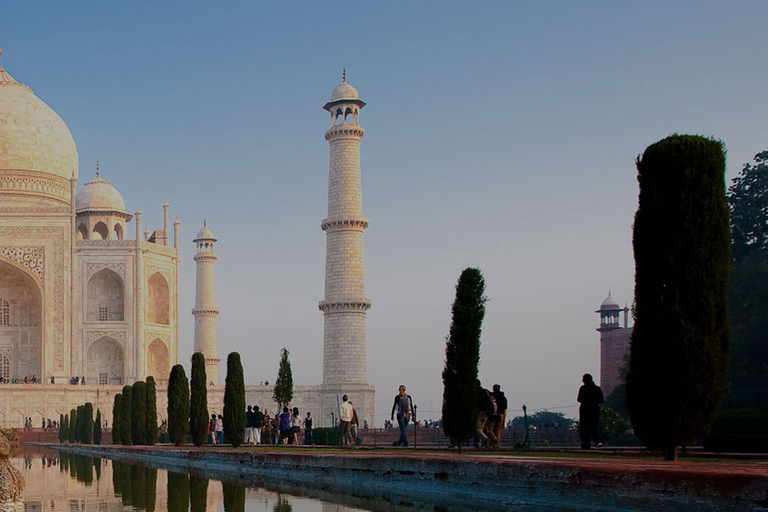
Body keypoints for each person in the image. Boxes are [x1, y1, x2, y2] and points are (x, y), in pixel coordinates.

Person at [577, 373, 604, 449]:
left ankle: (586, 444)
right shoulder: (597, 389)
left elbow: (579, 399)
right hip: (594, 410)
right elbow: (601, 400)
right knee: (594, 427)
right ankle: (597, 442)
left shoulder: (583, 388)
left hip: (585, 410)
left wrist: (587, 402)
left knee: (585, 428)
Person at [475, 381, 497, 448]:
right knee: (482, 428)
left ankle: (486, 440)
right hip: (486, 412)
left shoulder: (476, 392)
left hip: (479, 412)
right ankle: (480, 443)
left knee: (477, 428)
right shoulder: (486, 391)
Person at [489, 384, 508, 449]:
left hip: (494, 415)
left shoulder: (492, 397)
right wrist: (504, 420)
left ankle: (495, 440)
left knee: (490, 429)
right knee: (498, 430)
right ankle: (497, 444)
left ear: (493, 389)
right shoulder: (504, 398)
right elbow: (505, 409)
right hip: (501, 415)